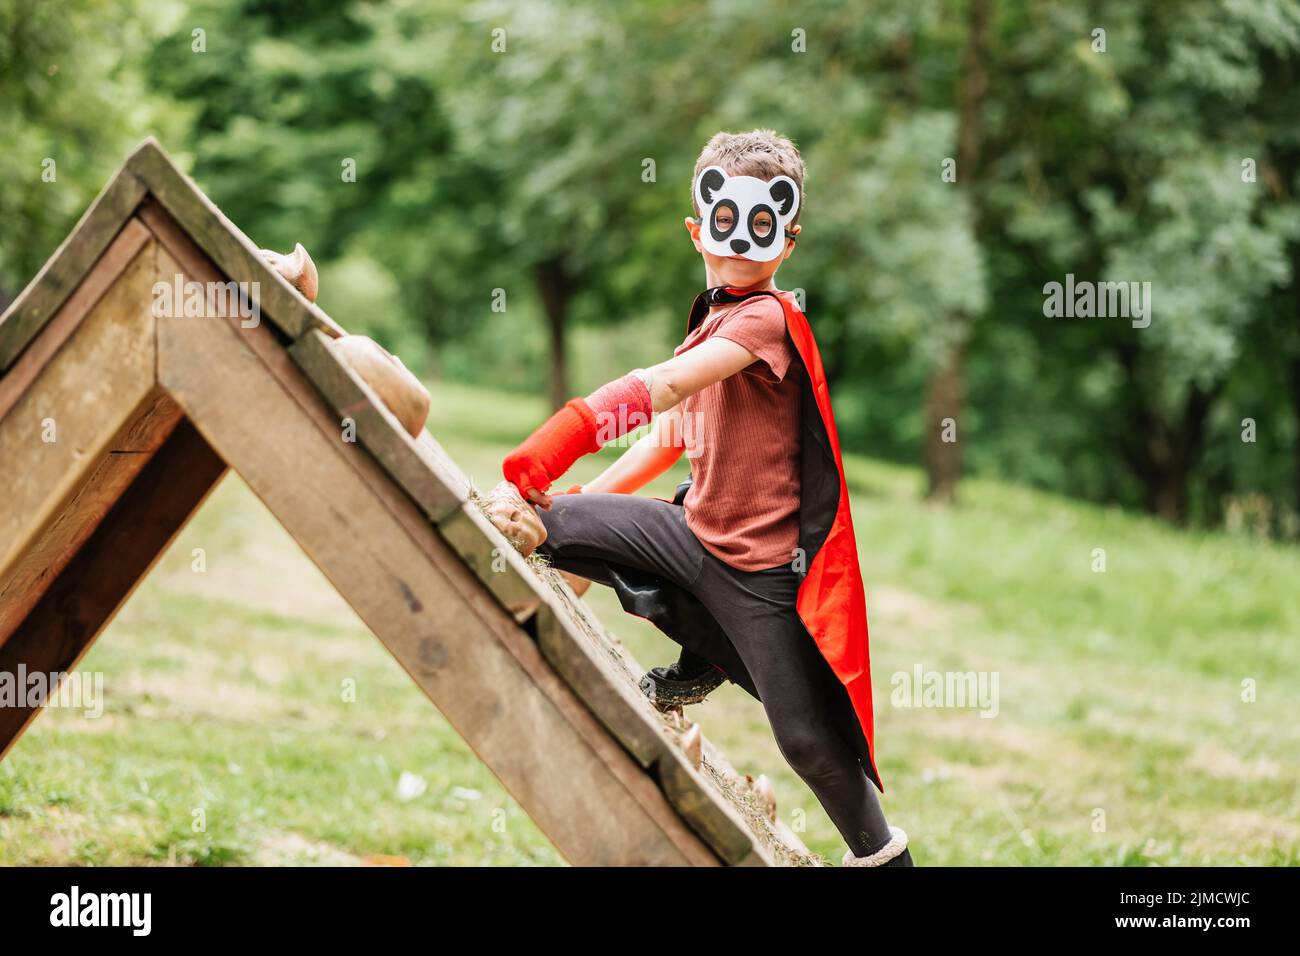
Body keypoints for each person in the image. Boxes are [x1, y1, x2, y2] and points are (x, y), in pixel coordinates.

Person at [499, 129, 912, 867]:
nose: (739, 245)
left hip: (761, 577)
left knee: (810, 744)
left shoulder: (766, 320)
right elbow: (664, 440)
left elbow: (661, 386)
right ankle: (698, 650)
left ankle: (881, 859)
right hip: (690, 537)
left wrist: (563, 435)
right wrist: (564, 506)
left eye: (761, 229)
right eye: (724, 225)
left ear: (786, 243)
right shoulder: (714, 317)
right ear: (697, 228)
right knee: (550, 524)